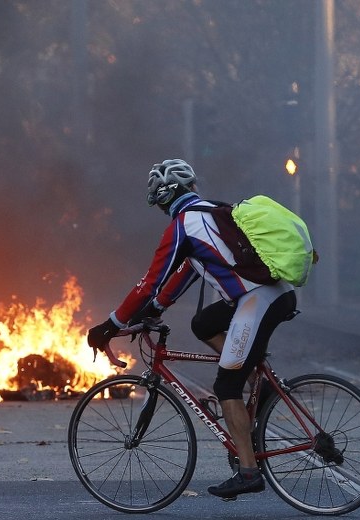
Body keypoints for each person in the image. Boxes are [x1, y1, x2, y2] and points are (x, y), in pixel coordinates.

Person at [86, 159, 297, 500]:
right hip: (274, 293)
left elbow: (148, 283)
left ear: (166, 196)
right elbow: (189, 269)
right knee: (203, 323)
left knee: (225, 383)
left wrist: (110, 325)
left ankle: (248, 472)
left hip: (257, 299)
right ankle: (261, 380)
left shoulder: (183, 225)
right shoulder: (215, 210)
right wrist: (155, 310)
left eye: (159, 202)